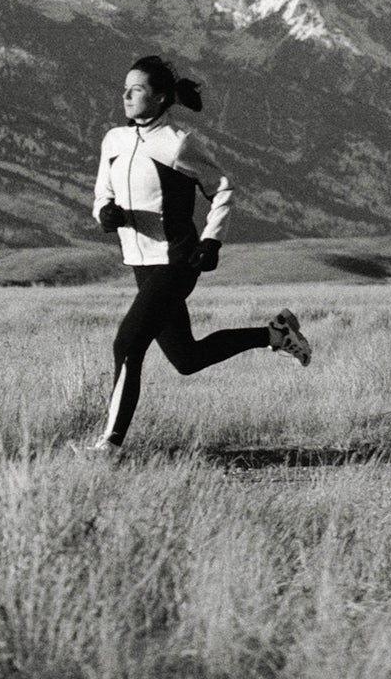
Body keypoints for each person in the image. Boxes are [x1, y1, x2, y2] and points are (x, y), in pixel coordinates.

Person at [82, 55, 309, 454]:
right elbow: (103, 192)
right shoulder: (113, 141)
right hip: (140, 264)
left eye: (136, 90)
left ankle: (110, 446)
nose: (126, 96)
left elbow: (222, 187)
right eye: (124, 89)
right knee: (187, 358)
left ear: (160, 98)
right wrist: (105, 213)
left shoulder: (177, 143)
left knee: (127, 345)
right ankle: (276, 333)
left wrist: (211, 240)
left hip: (177, 262)